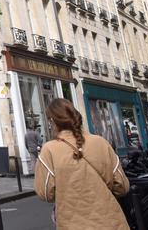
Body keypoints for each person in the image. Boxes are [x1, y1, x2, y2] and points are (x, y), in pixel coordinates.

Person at [35, 98, 130, 229]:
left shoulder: (49, 150)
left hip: (72, 224)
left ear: (53, 122)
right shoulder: (100, 143)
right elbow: (122, 186)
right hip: (110, 222)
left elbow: (45, 193)